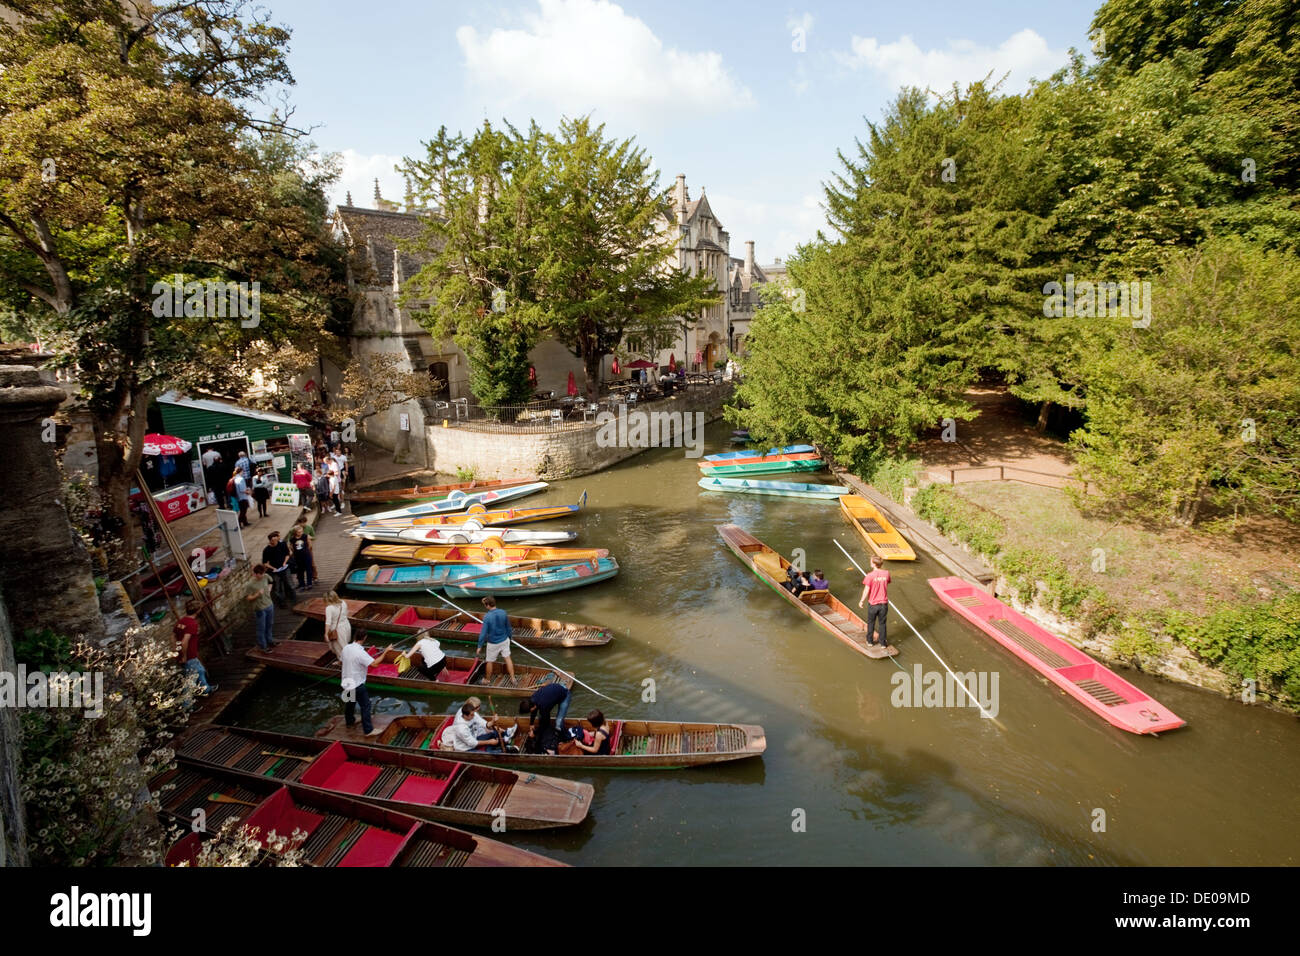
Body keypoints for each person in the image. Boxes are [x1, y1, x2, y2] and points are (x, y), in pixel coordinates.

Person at [339, 639, 382, 736]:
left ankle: (349, 721)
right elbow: (374, 664)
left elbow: (341, 661)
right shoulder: (360, 652)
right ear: (364, 638)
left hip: (347, 682)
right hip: (356, 683)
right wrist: (386, 651)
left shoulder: (346, 648)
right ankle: (368, 730)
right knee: (366, 705)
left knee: (350, 703)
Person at [174, 599, 216, 695]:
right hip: (189, 655)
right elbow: (185, 641)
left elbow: (173, 636)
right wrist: (184, 656)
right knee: (190, 681)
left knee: (200, 671)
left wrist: (176, 651)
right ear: (198, 611)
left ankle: (206, 689)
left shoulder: (181, 621)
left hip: (185, 654)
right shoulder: (192, 624)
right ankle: (186, 705)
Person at [474, 596, 515, 684]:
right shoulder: (503, 612)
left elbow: (483, 633)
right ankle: (513, 678)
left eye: (485, 605)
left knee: (489, 661)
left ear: (488, 605)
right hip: (504, 640)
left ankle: (487, 680)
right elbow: (508, 627)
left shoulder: (487, 617)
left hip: (493, 643)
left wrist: (479, 646)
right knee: (508, 658)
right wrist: (510, 637)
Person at [449, 697, 514, 752]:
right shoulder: (461, 728)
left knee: (493, 733)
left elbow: (483, 723)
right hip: (465, 747)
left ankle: (506, 737)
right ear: (466, 715)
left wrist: (492, 721)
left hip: (474, 735)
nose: (478, 709)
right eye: (477, 707)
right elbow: (472, 743)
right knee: (487, 753)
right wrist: (489, 741)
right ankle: (499, 750)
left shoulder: (471, 713)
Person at [858, 555, 892, 648]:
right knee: (882, 623)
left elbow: (866, 590)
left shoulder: (869, 576)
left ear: (873, 564)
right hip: (883, 604)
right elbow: (887, 582)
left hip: (873, 604)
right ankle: (883, 643)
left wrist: (861, 601)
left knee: (871, 623)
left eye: (871, 561)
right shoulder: (886, 573)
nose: (870, 563)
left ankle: (870, 641)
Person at [261, 531, 296, 606]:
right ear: (270, 540)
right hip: (274, 571)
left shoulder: (282, 544)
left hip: (284, 568)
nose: (275, 542)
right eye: (273, 541)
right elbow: (265, 563)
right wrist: (273, 568)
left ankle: (293, 598)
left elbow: (287, 554)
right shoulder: (266, 550)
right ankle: (281, 602)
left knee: (290, 583)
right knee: (277, 587)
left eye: (276, 540)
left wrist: (284, 563)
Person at [246, 564, 276, 651]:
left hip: (269, 605)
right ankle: (263, 646)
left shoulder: (266, 576)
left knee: (270, 624)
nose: (262, 575)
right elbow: (248, 598)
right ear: (255, 574)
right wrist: (257, 595)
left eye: (263, 573)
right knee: (261, 628)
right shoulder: (250, 584)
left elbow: (271, 581)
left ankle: (270, 640)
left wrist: (269, 589)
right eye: (260, 574)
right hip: (260, 609)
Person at [323, 590, 351, 658]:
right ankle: (345, 660)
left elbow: (328, 622)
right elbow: (347, 613)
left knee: (338, 647)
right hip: (346, 625)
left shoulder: (329, 608)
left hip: (337, 629)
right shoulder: (343, 602)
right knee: (345, 645)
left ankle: (342, 662)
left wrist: (326, 634)